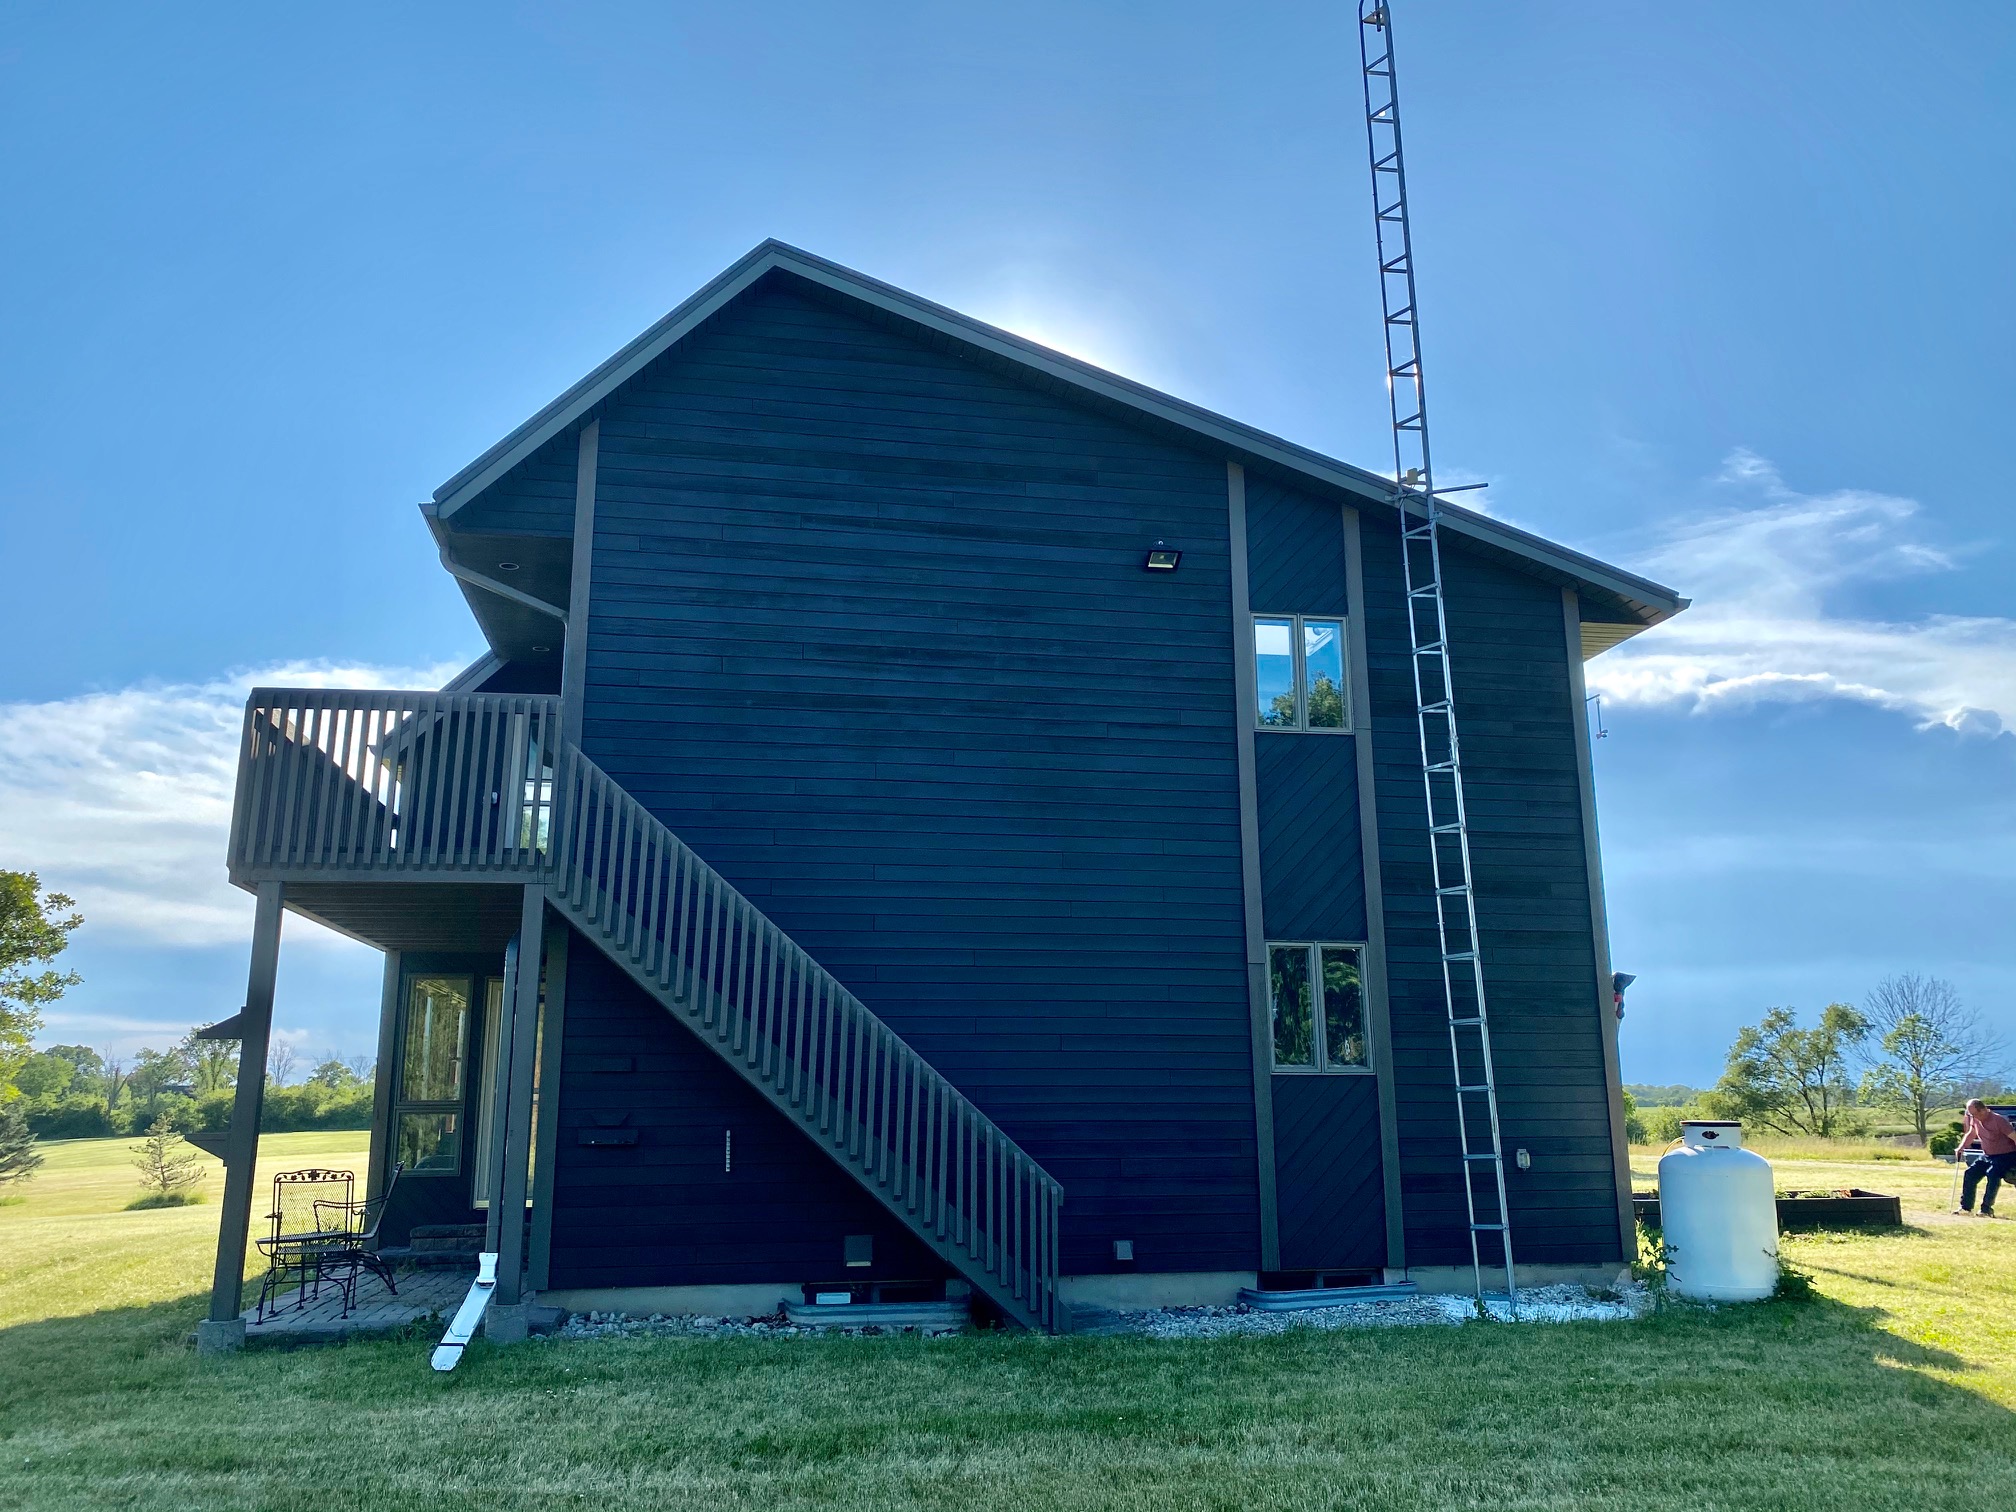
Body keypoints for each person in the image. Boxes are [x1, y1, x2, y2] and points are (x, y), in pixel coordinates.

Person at [1955, 1099, 2016, 1218]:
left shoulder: (1999, 1120)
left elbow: (2014, 1137)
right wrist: (1961, 1147)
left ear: (1983, 1110)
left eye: (1974, 1114)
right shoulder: (1975, 1119)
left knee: (1992, 1174)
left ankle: (1986, 1209)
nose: (1973, 1117)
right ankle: (1966, 1208)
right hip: (1987, 1155)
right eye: (1970, 1115)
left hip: (2006, 1155)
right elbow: (1971, 1133)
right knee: (1970, 1173)